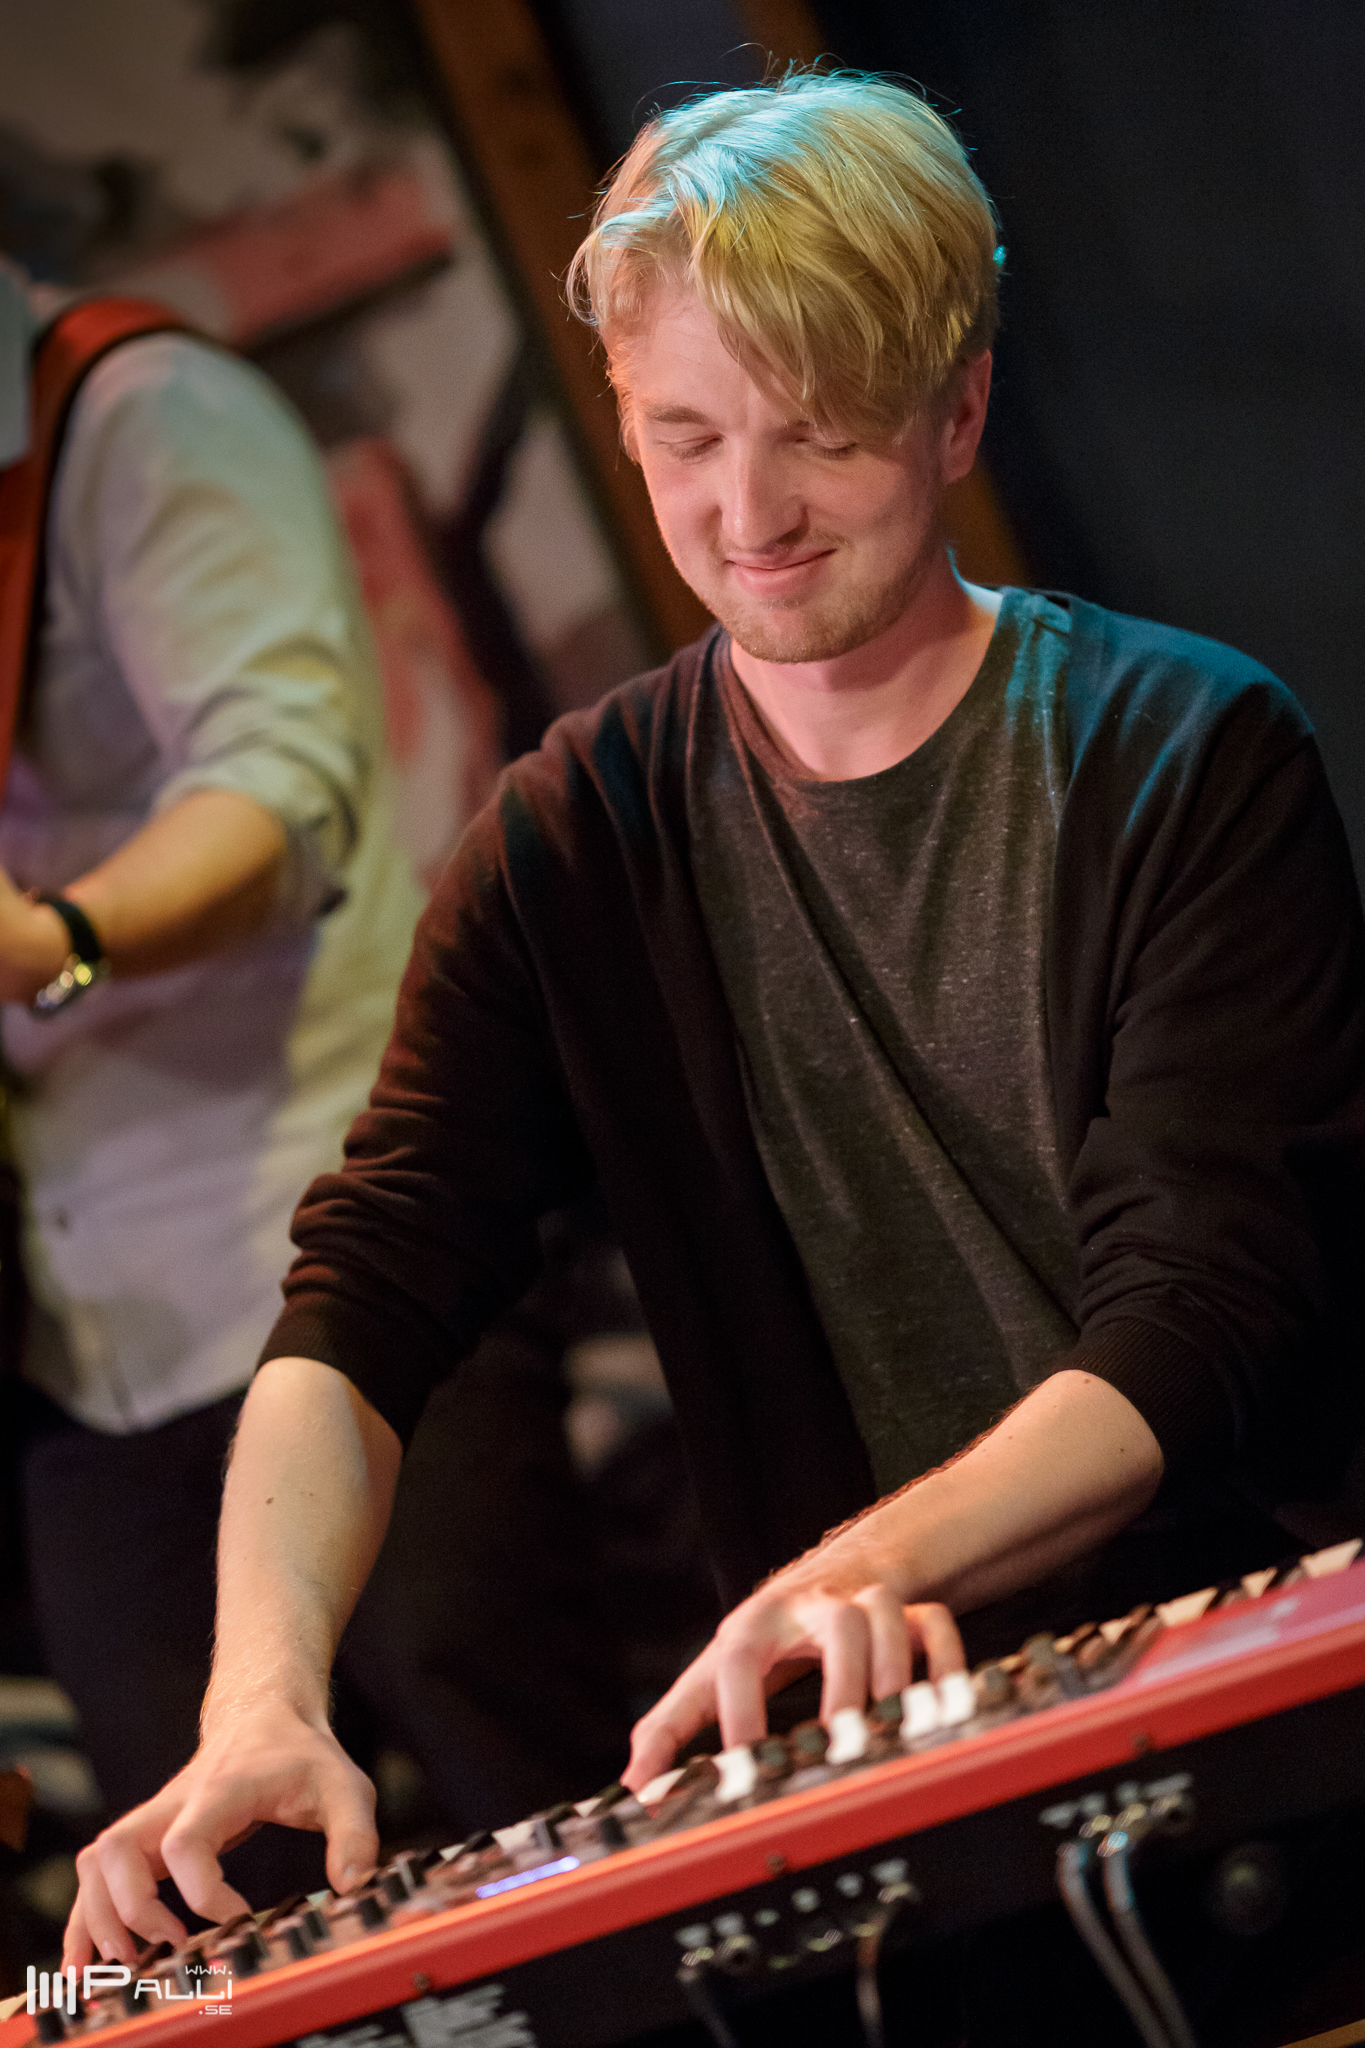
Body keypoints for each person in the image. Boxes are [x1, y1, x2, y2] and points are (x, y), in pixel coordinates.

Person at [64, 71, 1365, 1966]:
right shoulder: (573, 840)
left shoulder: (1185, 752)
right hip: (893, 1788)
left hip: (1267, 1701)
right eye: (684, 435)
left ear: (956, 413)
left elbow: (1197, 1305)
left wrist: (859, 1565)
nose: (744, 513)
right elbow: (365, 1293)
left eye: (816, 436)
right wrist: (257, 1695)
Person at [0, 262, 424, 1897]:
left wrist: (54, 942)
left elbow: (285, 796)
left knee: (523, 1823)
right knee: (185, 1925)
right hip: (86, 1332)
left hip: (334, 1253)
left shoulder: (142, 413)